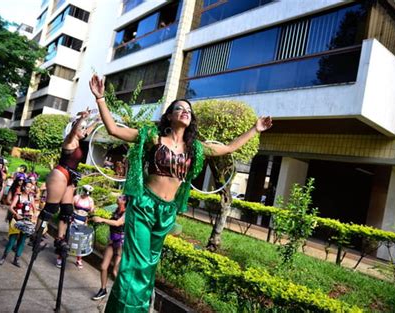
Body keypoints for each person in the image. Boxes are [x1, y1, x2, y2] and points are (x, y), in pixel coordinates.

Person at [89, 74, 272, 312]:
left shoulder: (194, 148)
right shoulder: (153, 137)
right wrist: (101, 98)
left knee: (149, 267)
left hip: (167, 211)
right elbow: (113, 129)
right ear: (170, 116)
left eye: (188, 109)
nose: (185, 111)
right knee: (136, 264)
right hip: (145, 205)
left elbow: (227, 148)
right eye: (179, 108)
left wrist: (255, 129)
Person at [35, 109, 98, 261]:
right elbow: (75, 130)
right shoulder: (69, 141)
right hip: (60, 175)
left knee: (67, 211)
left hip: (70, 178)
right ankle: (37, 234)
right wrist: (81, 119)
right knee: (51, 209)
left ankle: (60, 239)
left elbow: (86, 131)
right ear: (74, 129)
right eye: (81, 128)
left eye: (84, 128)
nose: (84, 130)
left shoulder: (78, 140)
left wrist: (97, 120)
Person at [91, 195, 127, 301]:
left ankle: (123, 294)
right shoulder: (116, 210)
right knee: (103, 266)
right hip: (112, 241)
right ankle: (103, 289)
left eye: (120, 197)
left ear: (124, 201)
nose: (118, 198)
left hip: (121, 243)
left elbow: (118, 223)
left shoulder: (127, 213)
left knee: (115, 271)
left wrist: (102, 219)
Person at [0, 181, 35, 268]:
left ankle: (16, 259)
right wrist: (16, 214)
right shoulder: (18, 196)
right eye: (27, 187)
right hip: (16, 220)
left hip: (27, 221)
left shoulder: (31, 197)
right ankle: (4, 257)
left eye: (30, 187)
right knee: (12, 240)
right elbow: (11, 207)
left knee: (22, 241)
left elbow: (34, 209)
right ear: (23, 187)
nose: (28, 189)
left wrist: (33, 215)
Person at [63, 184, 95, 269]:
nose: (86, 195)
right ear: (83, 191)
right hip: (74, 219)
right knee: (68, 238)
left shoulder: (90, 200)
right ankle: (61, 256)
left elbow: (91, 211)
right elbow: (70, 207)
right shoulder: (76, 197)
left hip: (83, 221)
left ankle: (79, 259)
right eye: (85, 192)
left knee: (81, 241)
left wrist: (92, 211)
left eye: (88, 194)